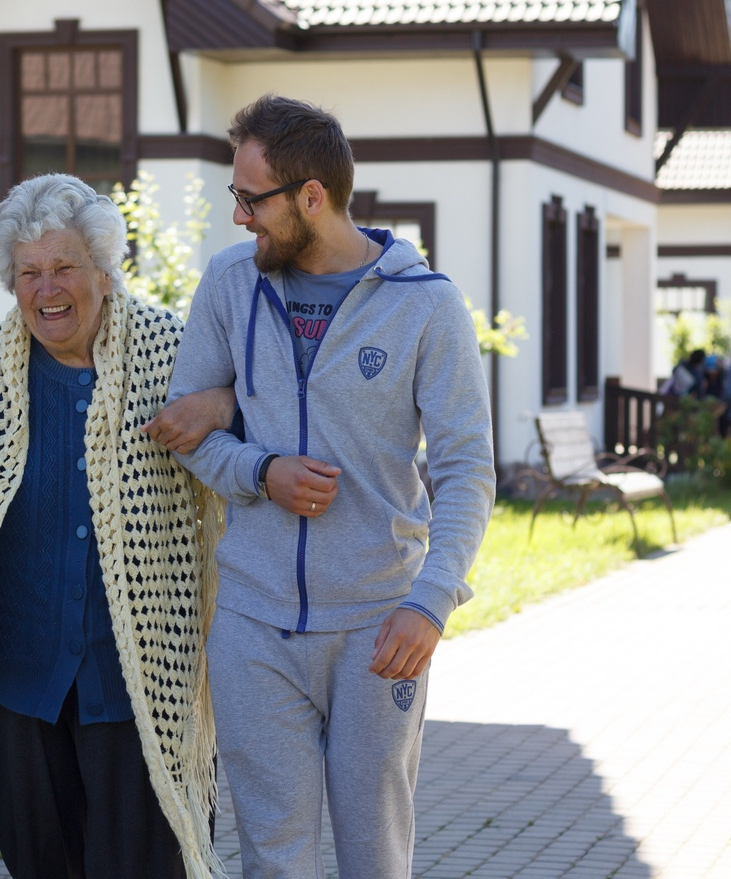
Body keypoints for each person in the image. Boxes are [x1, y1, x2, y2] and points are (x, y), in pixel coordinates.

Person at [156, 95, 496, 877]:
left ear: (312, 197)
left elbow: (465, 467)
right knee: (275, 858)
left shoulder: (427, 306)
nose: (239, 217)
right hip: (252, 624)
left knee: (375, 855)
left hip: (379, 626)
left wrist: (432, 599)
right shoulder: (230, 284)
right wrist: (260, 471)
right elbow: (187, 430)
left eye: (251, 199)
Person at [0, 174, 233, 879]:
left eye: (63, 267)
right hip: (20, 681)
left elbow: (246, 431)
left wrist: (220, 399)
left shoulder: (172, 353)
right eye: (28, 273)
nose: (46, 289)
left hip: (140, 680)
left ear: (103, 269)